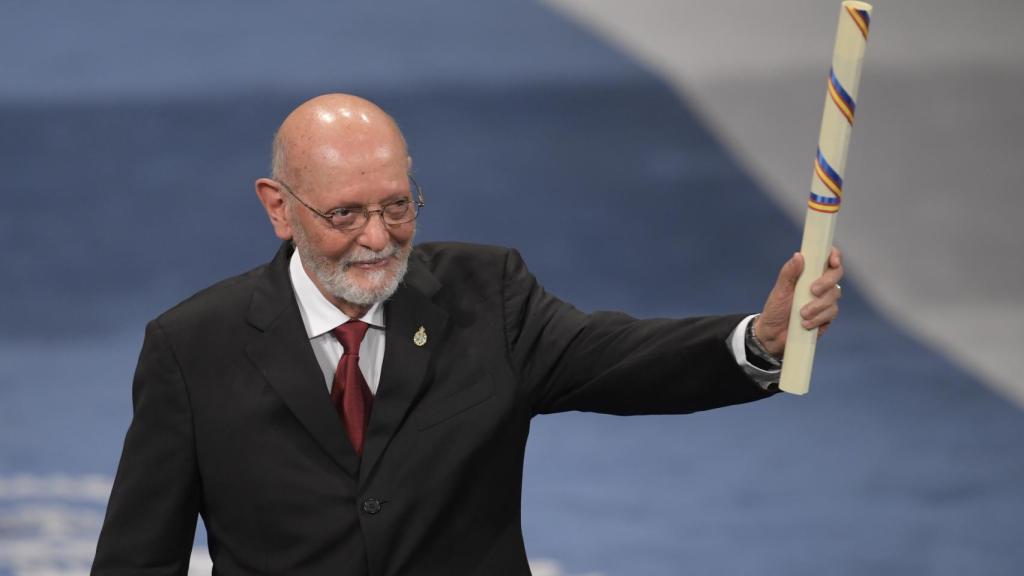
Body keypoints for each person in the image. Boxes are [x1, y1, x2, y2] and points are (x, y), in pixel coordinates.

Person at [92, 93, 843, 576]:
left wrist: (760, 338)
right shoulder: (192, 349)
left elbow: (618, 358)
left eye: (398, 205)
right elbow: (137, 557)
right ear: (279, 209)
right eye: (345, 214)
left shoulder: (489, 296)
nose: (379, 238)